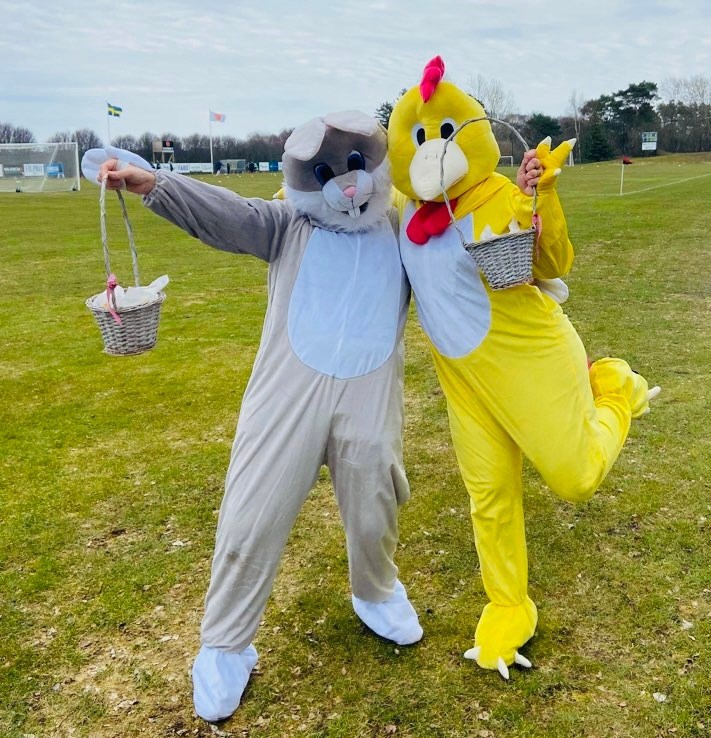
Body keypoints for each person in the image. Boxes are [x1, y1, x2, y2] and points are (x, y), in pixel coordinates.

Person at [82, 111, 422, 722]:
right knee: (253, 510)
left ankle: (375, 591)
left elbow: (452, 265)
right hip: (288, 393)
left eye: (354, 166)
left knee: (377, 495)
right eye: (326, 174)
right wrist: (156, 184)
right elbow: (228, 214)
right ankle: (226, 642)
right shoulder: (287, 225)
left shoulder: (401, 230)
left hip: (370, 389)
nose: (347, 184)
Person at [387, 56, 660, 678]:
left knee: (576, 477)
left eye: (445, 134)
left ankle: (615, 389)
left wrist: (544, 194)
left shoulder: (499, 198)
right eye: (421, 137)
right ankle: (509, 606)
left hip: (532, 358)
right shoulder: (403, 208)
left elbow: (553, 263)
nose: (432, 151)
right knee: (489, 497)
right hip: (466, 382)